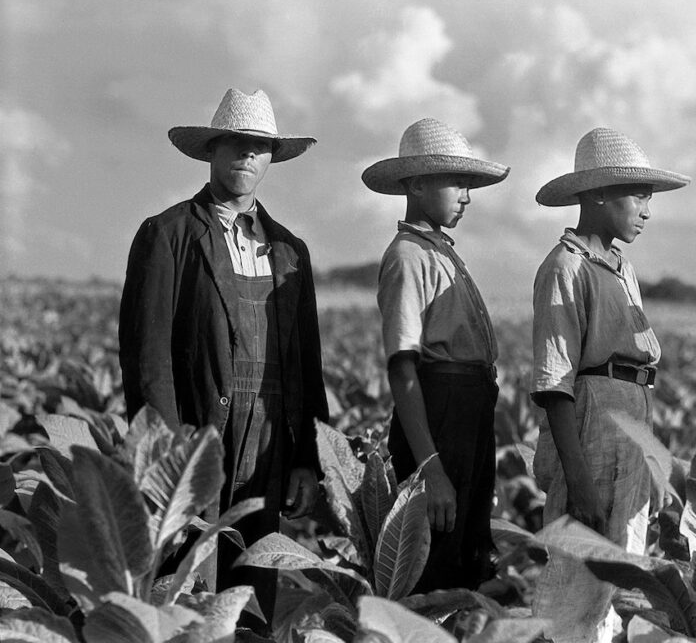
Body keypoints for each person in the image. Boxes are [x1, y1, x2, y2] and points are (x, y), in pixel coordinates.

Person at [119, 88, 328, 625]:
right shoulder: (168, 234)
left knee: (254, 596)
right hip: (197, 440)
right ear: (211, 151)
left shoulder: (289, 251)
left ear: (270, 159)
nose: (246, 156)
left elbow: (308, 361)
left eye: (258, 147)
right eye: (234, 144)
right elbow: (147, 359)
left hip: (269, 448)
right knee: (187, 589)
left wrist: (308, 456)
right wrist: (165, 457)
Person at [530, 127, 690, 642]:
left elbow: (638, 371)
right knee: (580, 580)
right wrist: (577, 479)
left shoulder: (622, 269)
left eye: (649, 197)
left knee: (624, 573)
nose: (647, 209)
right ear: (597, 194)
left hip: (629, 421)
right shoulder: (566, 266)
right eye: (637, 195)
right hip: (593, 424)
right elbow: (556, 383)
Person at [361, 117, 510, 592]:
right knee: (433, 569)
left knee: (465, 563)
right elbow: (403, 369)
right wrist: (430, 470)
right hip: (437, 419)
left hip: (466, 417)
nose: (466, 196)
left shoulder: (441, 252)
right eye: (456, 183)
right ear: (418, 184)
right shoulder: (408, 255)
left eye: (469, 185)